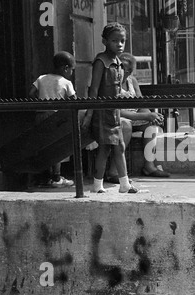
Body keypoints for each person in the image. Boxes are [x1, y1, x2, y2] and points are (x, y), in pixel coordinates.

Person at [81, 23, 162, 194]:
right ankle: (98, 185)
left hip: (115, 112)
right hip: (103, 113)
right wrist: (89, 114)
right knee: (104, 149)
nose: (119, 44)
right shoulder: (100, 61)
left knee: (120, 146)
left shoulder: (118, 62)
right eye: (114, 40)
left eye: (122, 41)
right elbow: (94, 89)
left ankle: (124, 184)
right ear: (105, 41)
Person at [105, 52, 170, 183]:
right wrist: (144, 115)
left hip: (135, 116)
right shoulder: (111, 82)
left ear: (130, 71)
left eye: (125, 69)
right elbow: (116, 110)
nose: (121, 71)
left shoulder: (132, 81)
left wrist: (152, 115)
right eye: (119, 67)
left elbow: (140, 103)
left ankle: (149, 166)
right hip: (116, 117)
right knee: (126, 126)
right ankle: (113, 171)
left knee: (152, 127)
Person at [29, 51, 76, 188]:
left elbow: (31, 93)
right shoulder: (66, 83)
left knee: (43, 146)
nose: (71, 73)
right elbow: (74, 100)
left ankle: (44, 177)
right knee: (57, 147)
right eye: (72, 70)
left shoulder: (41, 78)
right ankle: (56, 177)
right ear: (65, 68)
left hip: (40, 115)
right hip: (56, 118)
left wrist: (40, 103)